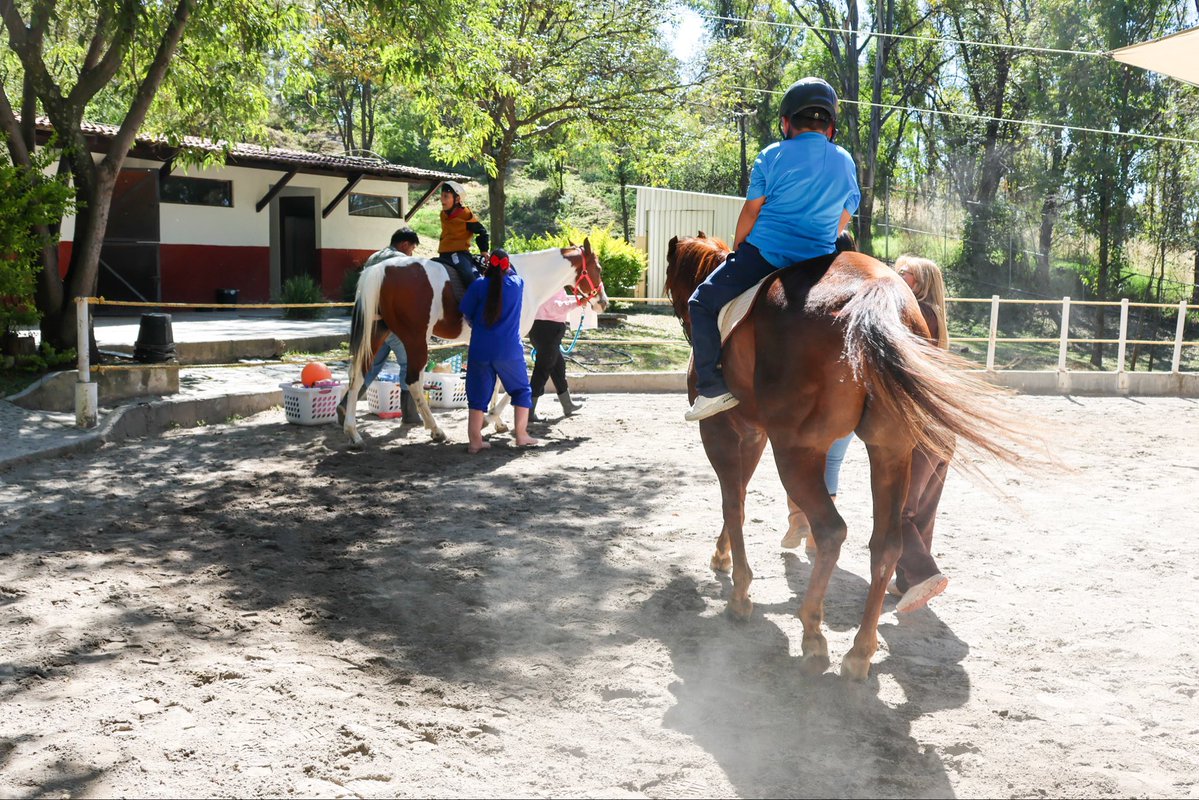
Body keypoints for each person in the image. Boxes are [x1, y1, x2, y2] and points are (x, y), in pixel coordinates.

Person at [685, 77, 860, 422]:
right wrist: (823, 237)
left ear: (785, 122)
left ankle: (710, 387)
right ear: (831, 127)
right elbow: (845, 215)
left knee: (700, 302)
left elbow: (751, 211)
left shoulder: (772, 155)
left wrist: (738, 249)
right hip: (818, 262)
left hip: (765, 257)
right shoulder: (845, 161)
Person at [890, 254, 953, 613]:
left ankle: (925, 574)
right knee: (921, 512)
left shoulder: (917, 316)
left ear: (921, 283)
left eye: (904, 274)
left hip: (923, 428)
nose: (896, 277)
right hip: (941, 427)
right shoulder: (936, 318)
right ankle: (907, 580)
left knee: (897, 510)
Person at [460, 250, 538, 453]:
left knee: (477, 397)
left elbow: (467, 312)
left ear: (489, 265)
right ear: (507, 265)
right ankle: (521, 435)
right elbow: (511, 274)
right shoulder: (517, 284)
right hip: (509, 350)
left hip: (480, 348)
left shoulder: (477, 285)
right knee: (521, 391)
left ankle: (475, 441)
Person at [528, 289, 585, 420]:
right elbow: (554, 307)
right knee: (542, 370)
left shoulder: (554, 284)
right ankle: (529, 411)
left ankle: (567, 405)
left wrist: (577, 302)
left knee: (558, 366)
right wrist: (577, 303)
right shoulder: (551, 285)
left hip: (547, 330)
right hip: (548, 330)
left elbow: (559, 303)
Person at [437, 180, 489, 291]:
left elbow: (481, 231)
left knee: (469, 277)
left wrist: (484, 250)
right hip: (443, 254)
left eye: (446, 196)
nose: (442, 199)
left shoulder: (465, 214)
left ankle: (475, 302)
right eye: (441, 196)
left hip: (459, 254)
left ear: (457, 199)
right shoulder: (443, 214)